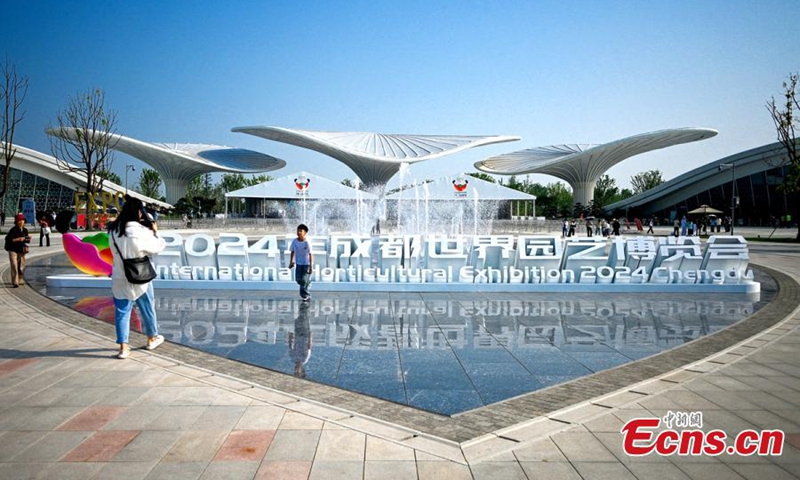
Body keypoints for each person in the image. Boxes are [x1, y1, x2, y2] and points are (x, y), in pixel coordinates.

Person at [108, 196, 166, 359]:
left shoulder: (113, 231)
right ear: (138, 211)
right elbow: (157, 247)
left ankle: (123, 348)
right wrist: (155, 232)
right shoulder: (140, 231)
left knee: (122, 311)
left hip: (120, 275)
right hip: (141, 277)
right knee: (147, 308)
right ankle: (151, 338)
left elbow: (114, 253)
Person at [4, 214, 31, 288]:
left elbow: (26, 240)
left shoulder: (25, 230)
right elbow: (8, 239)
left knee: (21, 266)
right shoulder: (13, 230)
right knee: (14, 265)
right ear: (17, 222)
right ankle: (15, 282)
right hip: (12, 249)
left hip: (21, 250)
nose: (22, 222)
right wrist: (18, 239)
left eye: (23, 220)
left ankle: (19, 279)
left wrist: (28, 239)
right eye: (20, 220)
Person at [289, 223, 313, 302]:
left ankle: (306, 295)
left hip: (306, 264)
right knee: (298, 280)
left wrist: (311, 267)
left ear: (305, 233)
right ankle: (308, 282)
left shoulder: (307, 242)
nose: (299, 232)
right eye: (298, 231)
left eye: (301, 231)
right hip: (298, 264)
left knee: (303, 281)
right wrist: (291, 262)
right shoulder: (294, 241)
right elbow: (292, 251)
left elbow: (310, 254)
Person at [288, 303, 312, 378]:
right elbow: (309, 347)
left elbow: (290, 347)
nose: (295, 369)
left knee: (299, 320)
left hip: (298, 336)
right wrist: (310, 337)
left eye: (294, 371)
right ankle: (307, 306)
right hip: (305, 336)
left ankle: (301, 307)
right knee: (305, 320)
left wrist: (290, 338)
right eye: (297, 371)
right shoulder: (304, 359)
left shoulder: (293, 358)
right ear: (302, 369)